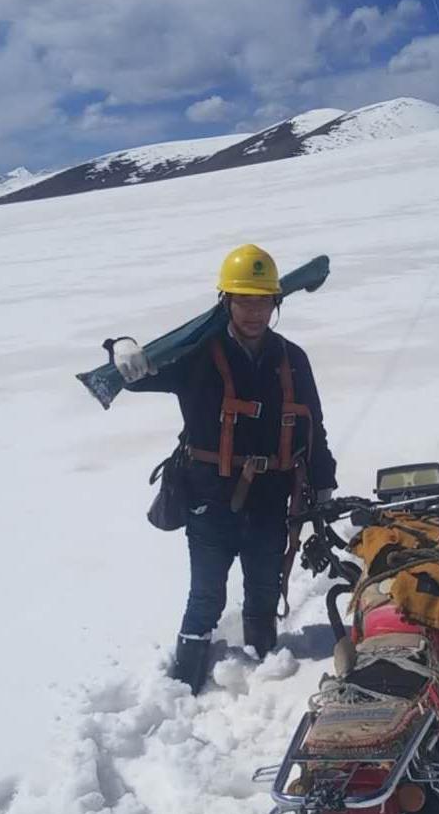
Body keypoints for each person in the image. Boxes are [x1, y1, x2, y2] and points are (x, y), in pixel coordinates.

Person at [113, 244, 337, 694]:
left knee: (261, 590)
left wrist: (324, 483)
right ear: (226, 301)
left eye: (262, 301)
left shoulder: (292, 359)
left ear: (276, 302)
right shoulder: (194, 356)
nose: (254, 312)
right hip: (208, 499)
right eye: (243, 300)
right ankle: (184, 686)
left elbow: (314, 426)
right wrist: (120, 347)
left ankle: (267, 682)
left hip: (272, 499)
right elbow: (131, 374)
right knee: (206, 596)